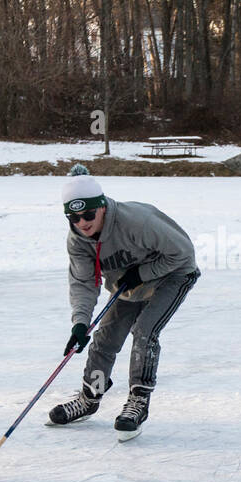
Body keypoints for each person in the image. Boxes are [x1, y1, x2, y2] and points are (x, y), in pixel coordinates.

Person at [48, 166, 200, 440]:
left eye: (88, 214)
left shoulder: (136, 221)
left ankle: (138, 401)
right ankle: (88, 398)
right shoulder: (78, 241)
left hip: (174, 274)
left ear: (102, 207)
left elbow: (183, 252)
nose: (82, 222)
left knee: (144, 331)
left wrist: (142, 273)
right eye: (74, 217)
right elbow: (83, 283)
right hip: (129, 285)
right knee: (104, 339)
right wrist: (80, 323)